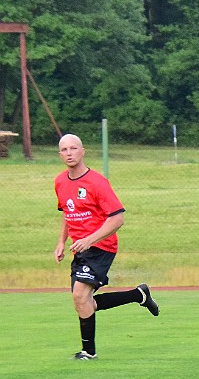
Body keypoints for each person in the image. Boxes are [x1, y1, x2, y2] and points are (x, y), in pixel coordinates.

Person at [54, 133, 159, 360]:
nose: (69, 153)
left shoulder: (97, 183)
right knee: (83, 301)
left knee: (80, 295)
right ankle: (137, 295)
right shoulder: (60, 181)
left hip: (101, 247)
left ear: (83, 151)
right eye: (64, 150)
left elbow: (117, 218)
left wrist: (89, 240)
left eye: (73, 148)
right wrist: (61, 242)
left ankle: (88, 353)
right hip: (80, 249)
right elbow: (67, 212)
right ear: (60, 154)